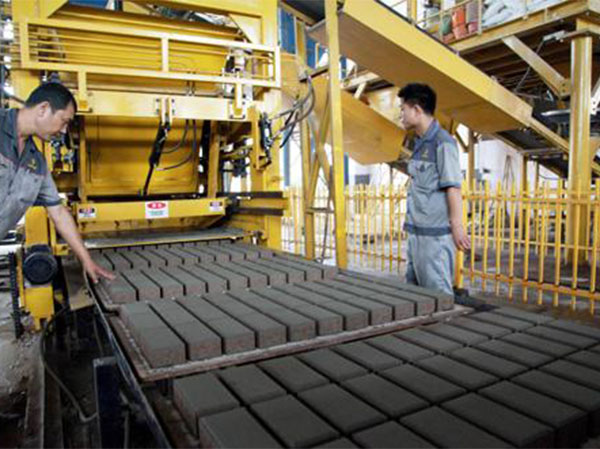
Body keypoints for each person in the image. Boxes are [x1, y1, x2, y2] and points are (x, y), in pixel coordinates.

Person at [0, 82, 114, 283]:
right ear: (43, 109)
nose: (63, 131)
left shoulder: (36, 163)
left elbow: (59, 213)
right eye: (64, 121)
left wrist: (86, 260)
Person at [398, 83, 470, 295]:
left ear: (417, 110)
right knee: (414, 294)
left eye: (403, 109)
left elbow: (453, 187)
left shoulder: (443, 143)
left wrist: (457, 226)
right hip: (416, 232)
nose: (401, 115)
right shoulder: (419, 142)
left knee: (438, 296)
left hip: (434, 237)